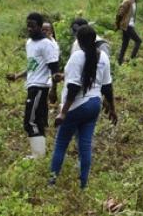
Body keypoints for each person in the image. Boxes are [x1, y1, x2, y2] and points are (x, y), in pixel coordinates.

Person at [50, 25, 117, 189]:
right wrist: (113, 109)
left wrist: (63, 113)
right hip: (94, 104)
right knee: (85, 146)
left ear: (78, 41)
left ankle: (51, 182)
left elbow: (74, 87)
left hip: (76, 106)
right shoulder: (103, 57)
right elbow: (107, 86)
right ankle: (83, 184)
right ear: (95, 40)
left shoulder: (77, 56)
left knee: (61, 144)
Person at [7, 13, 61, 158]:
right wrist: (18, 76)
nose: (29, 28)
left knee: (30, 122)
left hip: (40, 87)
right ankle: (39, 154)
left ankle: (38, 156)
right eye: (28, 25)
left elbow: (54, 70)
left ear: (39, 26)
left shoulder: (47, 45)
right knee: (39, 121)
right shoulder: (29, 43)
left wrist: (53, 90)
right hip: (32, 85)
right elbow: (33, 66)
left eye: (33, 25)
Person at [115, 0, 142, 65]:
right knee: (138, 41)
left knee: (125, 43)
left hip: (129, 24)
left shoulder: (134, 0)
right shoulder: (127, 1)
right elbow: (119, 14)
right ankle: (132, 59)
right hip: (127, 25)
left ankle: (120, 60)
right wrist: (117, 24)